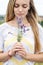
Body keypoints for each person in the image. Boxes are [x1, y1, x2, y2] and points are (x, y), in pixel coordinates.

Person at [0, 0, 43, 65]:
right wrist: (9, 53)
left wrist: (27, 56)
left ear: (29, 7)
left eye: (24, 6)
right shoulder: (2, 28)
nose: (20, 10)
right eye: (16, 6)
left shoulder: (37, 28)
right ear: (12, 7)